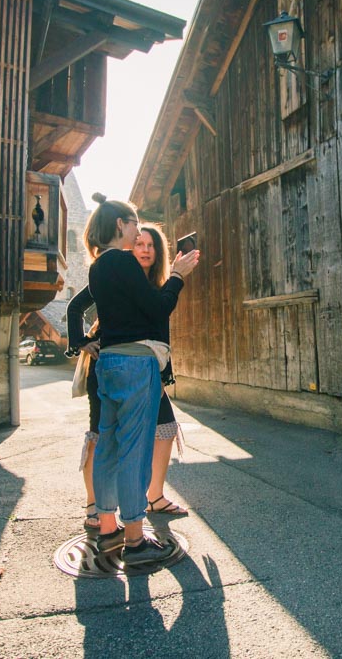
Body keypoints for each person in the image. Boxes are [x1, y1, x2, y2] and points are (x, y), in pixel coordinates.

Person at [83, 198, 199, 565]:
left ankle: (108, 530)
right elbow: (157, 308)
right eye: (134, 223)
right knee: (134, 450)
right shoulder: (124, 261)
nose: (137, 231)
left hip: (108, 363)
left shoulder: (98, 268)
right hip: (136, 363)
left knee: (108, 446)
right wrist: (177, 275)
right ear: (120, 224)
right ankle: (134, 539)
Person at [133, 223, 188, 516]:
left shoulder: (157, 286)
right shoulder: (126, 280)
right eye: (139, 244)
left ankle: (153, 496)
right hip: (129, 365)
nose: (145, 250)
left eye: (151, 245)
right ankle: (106, 507)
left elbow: (160, 329)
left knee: (164, 428)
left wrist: (165, 374)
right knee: (120, 435)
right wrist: (83, 342)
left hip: (152, 367)